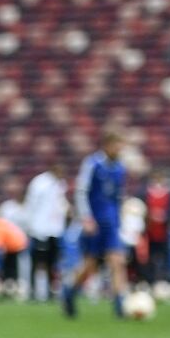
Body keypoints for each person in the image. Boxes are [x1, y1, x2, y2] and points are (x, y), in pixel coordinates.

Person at [63, 130, 129, 319]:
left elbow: (119, 196)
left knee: (117, 261)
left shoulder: (120, 168)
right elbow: (81, 191)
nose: (120, 149)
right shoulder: (92, 164)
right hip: (95, 223)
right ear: (107, 145)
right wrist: (86, 218)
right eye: (117, 145)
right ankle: (70, 291)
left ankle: (119, 307)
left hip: (112, 223)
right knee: (90, 266)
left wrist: (121, 220)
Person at [23, 165, 68, 302]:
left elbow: (60, 205)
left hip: (55, 229)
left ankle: (50, 290)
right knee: (38, 261)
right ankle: (33, 290)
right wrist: (30, 225)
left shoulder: (60, 184)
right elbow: (31, 204)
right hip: (40, 229)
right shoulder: (39, 183)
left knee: (52, 261)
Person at [142, 170, 170, 288]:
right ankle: (150, 280)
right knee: (149, 257)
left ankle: (165, 280)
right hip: (149, 230)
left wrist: (164, 217)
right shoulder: (146, 192)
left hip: (164, 231)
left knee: (165, 256)